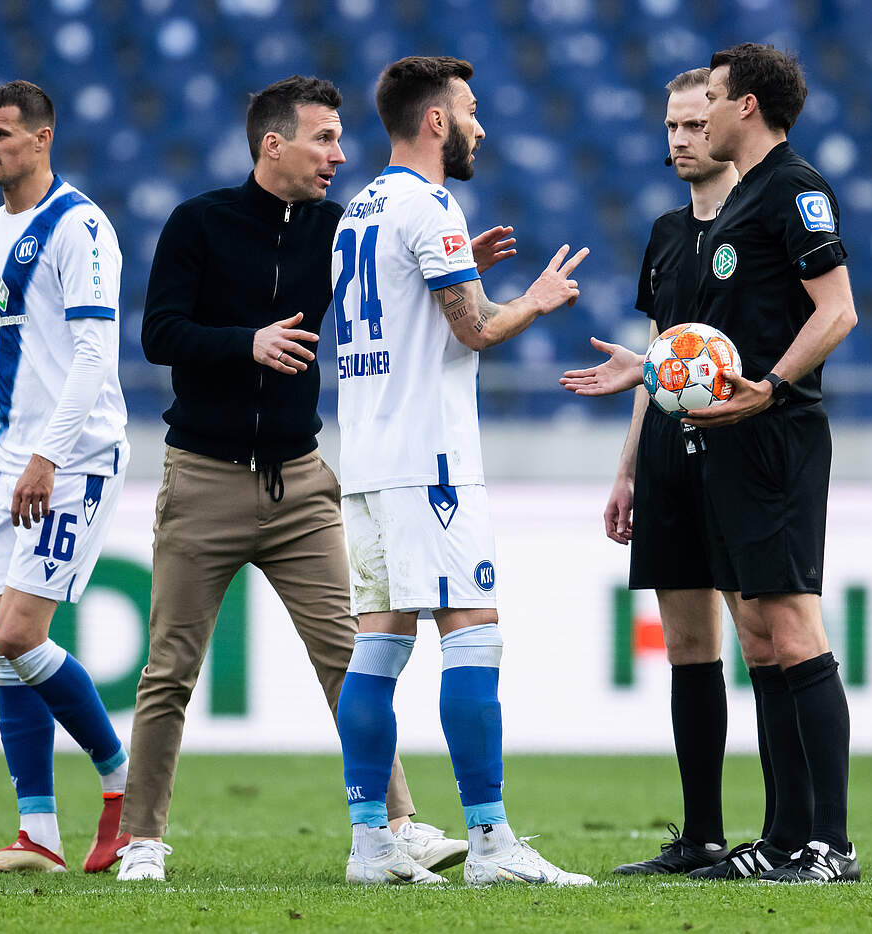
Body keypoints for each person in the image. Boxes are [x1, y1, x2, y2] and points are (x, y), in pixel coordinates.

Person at [118, 75, 498, 883]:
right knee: (170, 669)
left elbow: (394, 310)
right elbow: (158, 333)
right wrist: (245, 343)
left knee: (351, 655)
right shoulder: (199, 223)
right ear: (273, 144)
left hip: (302, 480)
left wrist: (456, 275)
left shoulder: (337, 229)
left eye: (339, 138)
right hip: (204, 479)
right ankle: (142, 840)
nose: (339, 154)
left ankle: (397, 825)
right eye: (324, 138)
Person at [559, 44, 860, 883]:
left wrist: (772, 386)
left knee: (791, 629)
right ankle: (783, 839)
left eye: (712, 103)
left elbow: (838, 311)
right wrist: (652, 371)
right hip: (723, 437)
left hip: (772, 435)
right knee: (761, 638)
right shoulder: (739, 205)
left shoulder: (793, 188)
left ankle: (831, 845)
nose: (693, 127)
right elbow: (706, 340)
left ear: (745, 107)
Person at [331, 55, 592, 887]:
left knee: (377, 646)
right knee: (474, 632)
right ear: (436, 120)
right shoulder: (432, 203)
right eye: (471, 110)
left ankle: (371, 845)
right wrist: (536, 299)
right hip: (429, 460)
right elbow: (474, 328)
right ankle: (489, 843)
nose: (481, 126)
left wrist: (459, 268)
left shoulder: (360, 209)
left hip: (366, 458)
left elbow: (408, 310)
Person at [0, 79, 132, 875]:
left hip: (73, 459)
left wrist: (46, 458)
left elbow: (93, 355)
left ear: (42, 137)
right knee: (5, 653)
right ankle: (39, 837)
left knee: (17, 634)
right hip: (7, 463)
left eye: (0, 135)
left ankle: (125, 783)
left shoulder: (79, 226)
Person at [564, 67, 747, 877]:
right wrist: (628, 468)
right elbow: (659, 356)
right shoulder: (668, 232)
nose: (680, 139)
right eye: (670, 126)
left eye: (694, 124)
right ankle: (702, 835)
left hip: (739, 449)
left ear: (728, 123)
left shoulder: (761, 220)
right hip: (669, 455)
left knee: (764, 637)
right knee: (687, 645)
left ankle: (792, 833)